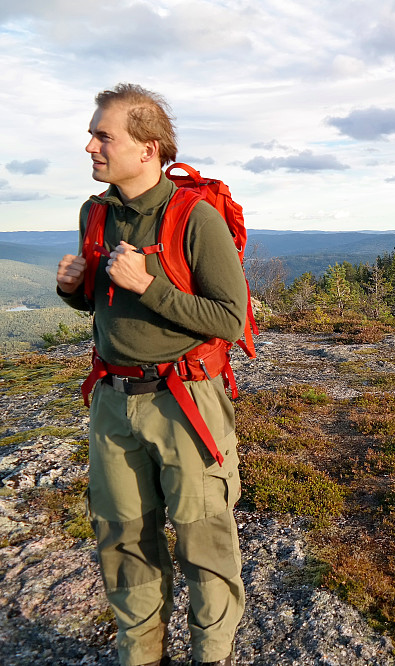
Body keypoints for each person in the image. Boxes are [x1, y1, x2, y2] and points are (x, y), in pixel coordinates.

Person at [56, 83, 246, 666]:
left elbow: (231, 319)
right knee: (122, 538)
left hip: (184, 400)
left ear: (148, 147)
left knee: (202, 539)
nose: (89, 144)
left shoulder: (195, 217)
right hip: (112, 401)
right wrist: (73, 293)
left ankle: (211, 657)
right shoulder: (97, 213)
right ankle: (139, 655)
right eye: (92, 133)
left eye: (102, 135)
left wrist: (151, 286)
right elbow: (106, 309)